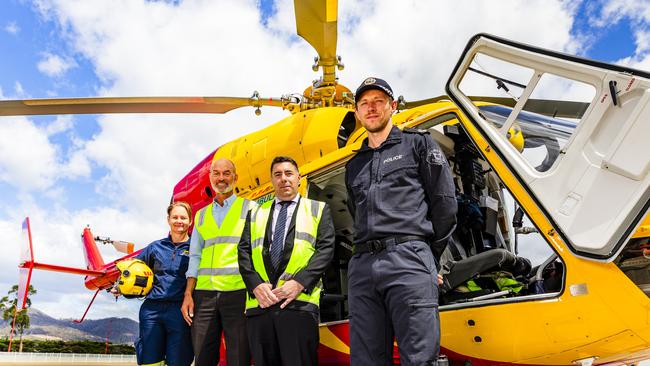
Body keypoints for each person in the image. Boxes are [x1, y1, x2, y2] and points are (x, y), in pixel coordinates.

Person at [345, 77, 458, 366]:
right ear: (357, 113)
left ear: (392, 106)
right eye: (364, 104)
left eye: (378, 101)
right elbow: (357, 215)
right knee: (365, 359)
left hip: (409, 259)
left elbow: (444, 204)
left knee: (419, 358)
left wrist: (428, 260)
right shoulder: (354, 164)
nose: (371, 108)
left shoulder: (418, 144)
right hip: (363, 267)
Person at [238, 156, 335, 366]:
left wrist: (300, 282)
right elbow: (243, 252)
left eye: (289, 173)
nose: (284, 179)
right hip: (260, 307)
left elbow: (326, 249)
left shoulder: (318, 209)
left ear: (299, 178)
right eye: (278, 175)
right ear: (272, 180)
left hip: (298, 304)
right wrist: (255, 286)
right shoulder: (255, 213)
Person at [180, 158, 253, 366]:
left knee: (239, 357)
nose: (221, 178)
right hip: (204, 296)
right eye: (217, 173)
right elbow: (194, 257)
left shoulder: (251, 208)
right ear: (210, 177)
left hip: (238, 293)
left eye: (227, 173)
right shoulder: (201, 215)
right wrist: (188, 294)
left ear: (235, 178)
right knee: (203, 357)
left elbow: (258, 253)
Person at [132, 201, 194, 366]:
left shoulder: (196, 248)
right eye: (175, 217)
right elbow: (133, 268)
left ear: (190, 221)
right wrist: (121, 285)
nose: (179, 221)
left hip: (180, 311)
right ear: (168, 220)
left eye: (183, 217)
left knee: (179, 360)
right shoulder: (155, 247)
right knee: (149, 361)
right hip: (152, 310)